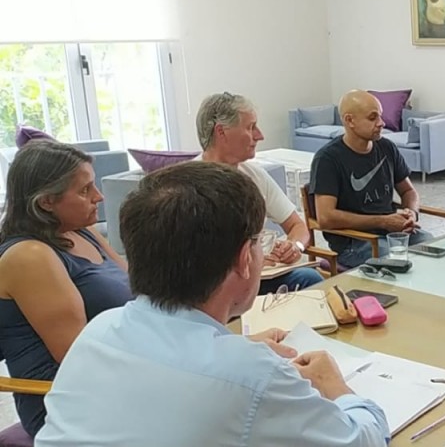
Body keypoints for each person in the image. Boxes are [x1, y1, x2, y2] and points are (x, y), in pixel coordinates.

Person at [35, 162, 389, 446]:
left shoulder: (97, 332)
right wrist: (332, 384)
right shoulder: (254, 376)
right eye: (259, 241)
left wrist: (239, 350)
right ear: (244, 258)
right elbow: (364, 439)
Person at [0, 141, 132, 437]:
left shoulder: (82, 232)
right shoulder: (29, 257)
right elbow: (79, 358)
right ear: (46, 201)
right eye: (85, 190)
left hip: (116, 380)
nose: (98, 196)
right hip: (66, 405)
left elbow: (140, 293)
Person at [194, 92, 323, 294]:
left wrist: (294, 246)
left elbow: (298, 226)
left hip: (259, 277)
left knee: (311, 280)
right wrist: (247, 264)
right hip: (214, 286)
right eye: (250, 127)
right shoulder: (189, 186)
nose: (260, 135)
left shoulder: (255, 175)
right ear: (221, 132)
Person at [311, 90, 433, 269]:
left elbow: (408, 191)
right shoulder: (328, 159)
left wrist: (411, 213)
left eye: (380, 116)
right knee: (398, 261)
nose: (381, 123)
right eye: (372, 118)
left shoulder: (386, 148)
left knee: (433, 248)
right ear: (350, 120)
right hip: (354, 242)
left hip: (391, 233)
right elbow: (326, 217)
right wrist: (382, 221)